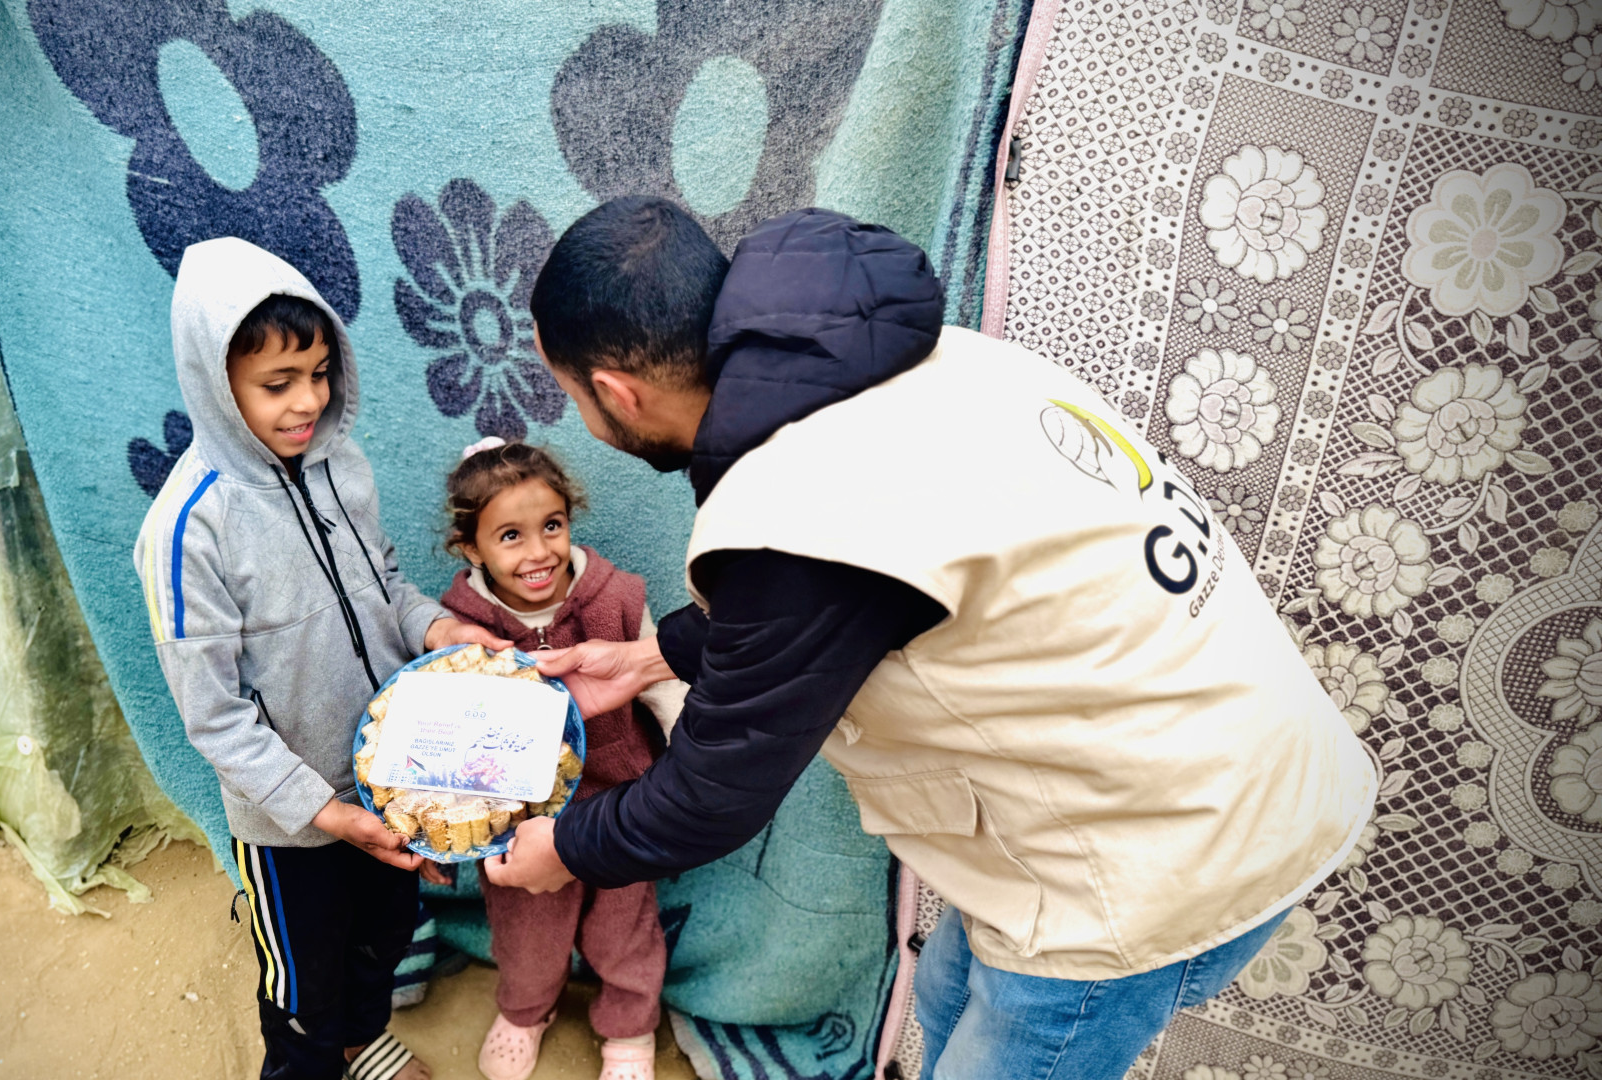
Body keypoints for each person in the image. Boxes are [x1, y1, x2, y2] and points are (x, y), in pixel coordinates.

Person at [482, 200, 1376, 1080]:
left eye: (575, 404)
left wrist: (562, 848)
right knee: (943, 1005)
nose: (589, 427)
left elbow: (712, 793)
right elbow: (845, 610)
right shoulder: (895, 356)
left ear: (615, 392)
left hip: (1168, 851)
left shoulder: (797, 499)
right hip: (1228, 754)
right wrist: (651, 657)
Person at [135, 237, 507, 1080]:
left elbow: (385, 583)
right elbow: (216, 718)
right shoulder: (188, 528)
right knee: (302, 992)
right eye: (277, 385)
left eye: (320, 372)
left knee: (380, 943)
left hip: (390, 777)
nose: (307, 403)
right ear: (213, 381)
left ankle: (358, 1042)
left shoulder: (343, 463)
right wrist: (327, 815)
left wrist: (437, 631)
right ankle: (314, 1055)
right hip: (291, 825)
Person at [425, 437, 684, 1080]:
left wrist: (687, 771)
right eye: (509, 535)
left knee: (625, 928)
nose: (538, 551)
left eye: (552, 526)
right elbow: (440, 736)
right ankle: (524, 1010)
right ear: (470, 548)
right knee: (526, 931)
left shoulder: (617, 597)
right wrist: (433, 833)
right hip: (515, 819)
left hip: (622, 802)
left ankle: (629, 1028)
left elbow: (664, 683)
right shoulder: (459, 623)